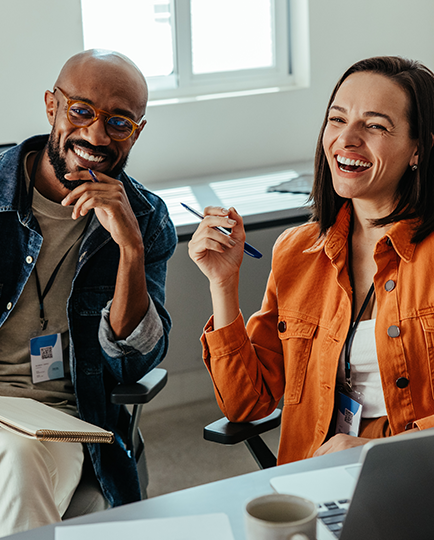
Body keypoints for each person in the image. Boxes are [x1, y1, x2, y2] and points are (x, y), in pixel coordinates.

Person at [188, 56, 434, 466]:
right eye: (337, 120)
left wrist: (379, 451)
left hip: (413, 475)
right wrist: (223, 284)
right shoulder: (296, 252)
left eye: (375, 125)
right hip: (312, 475)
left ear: (418, 148)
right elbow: (246, 405)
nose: (347, 139)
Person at [0, 49, 177, 536]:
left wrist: (131, 249)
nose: (96, 136)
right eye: (81, 111)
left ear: (136, 132)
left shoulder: (144, 219)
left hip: (63, 420)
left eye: (119, 123)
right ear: (51, 106)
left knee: (19, 459)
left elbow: (131, 365)